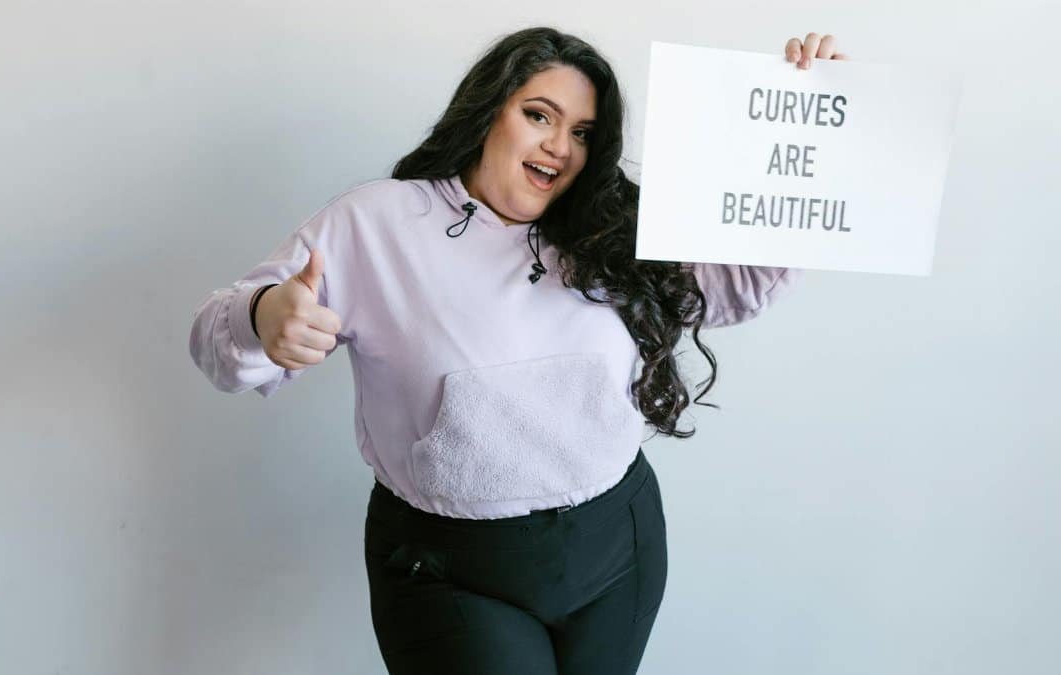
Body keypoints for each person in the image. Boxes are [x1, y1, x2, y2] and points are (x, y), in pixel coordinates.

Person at [189, 26, 847, 675]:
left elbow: (734, 287)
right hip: (453, 567)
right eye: (540, 115)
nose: (560, 147)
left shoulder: (605, 226)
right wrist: (262, 315)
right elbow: (217, 337)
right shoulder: (376, 223)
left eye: (583, 133)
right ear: (486, 112)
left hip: (617, 546)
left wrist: (798, 126)